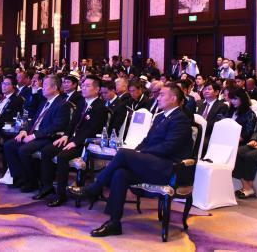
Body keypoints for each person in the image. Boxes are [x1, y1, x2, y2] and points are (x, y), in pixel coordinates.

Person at [68, 83, 193, 237]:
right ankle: (114, 223)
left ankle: (94, 188)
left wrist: (139, 153)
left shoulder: (181, 119)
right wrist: (138, 152)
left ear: (173, 98)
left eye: (162, 95)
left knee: (124, 154)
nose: (157, 98)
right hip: (152, 164)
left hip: (169, 168)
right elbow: (147, 140)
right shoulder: (161, 117)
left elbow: (169, 147)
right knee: (120, 173)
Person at [37, 76, 107, 206]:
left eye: (87, 86)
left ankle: (60, 195)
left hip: (86, 143)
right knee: (47, 151)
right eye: (83, 85)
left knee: (62, 156)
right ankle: (47, 187)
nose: (83, 88)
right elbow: (72, 123)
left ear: (97, 89)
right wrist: (65, 136)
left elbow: (92, 130)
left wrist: (75, 142)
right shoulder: (82, 103)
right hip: (71, 139)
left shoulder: (100, 107)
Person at [3, 75, 71, 192]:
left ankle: (32, 181)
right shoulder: (44, 102)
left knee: (24, 150)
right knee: (9, 145)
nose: (42, 87)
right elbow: (34, 120)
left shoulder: (62, 104)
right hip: (35, 133)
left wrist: (34, 136)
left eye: (45, 85)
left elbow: (56, 126)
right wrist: (24, 131)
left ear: (55, 87)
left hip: (48, 137)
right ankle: (20, 177)